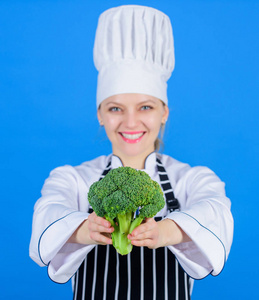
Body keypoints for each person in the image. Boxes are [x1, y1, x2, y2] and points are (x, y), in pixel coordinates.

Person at [29, 5, 233, 300]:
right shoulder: (72, 178)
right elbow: (47, 215)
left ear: (165, 112)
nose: (131, 122)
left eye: (146, 107)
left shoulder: (192, 179)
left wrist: (165, 233)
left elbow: (216, 212)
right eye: (115, 109)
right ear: (100, 114)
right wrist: (85, 230)